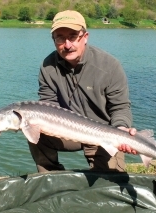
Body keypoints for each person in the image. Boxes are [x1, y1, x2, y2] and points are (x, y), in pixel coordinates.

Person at [28, 10, 137, 173]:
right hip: (66, 130)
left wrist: (121, 128)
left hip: (104, 134)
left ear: (85, 37)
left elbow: (120, 107)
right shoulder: (48, 66)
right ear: (53, 40)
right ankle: (51, 177)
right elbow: (48, 105)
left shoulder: (110, 66)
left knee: (109, 182)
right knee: (33, 130)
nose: (67, 44)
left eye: (73, 36)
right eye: (60, 37)